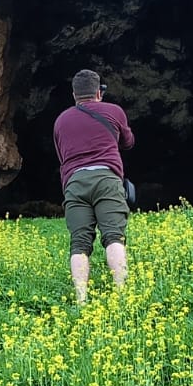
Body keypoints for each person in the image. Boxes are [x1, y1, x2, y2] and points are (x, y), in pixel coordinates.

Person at [52, 69, 135, 305]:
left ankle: (81, 300)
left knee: (79, 242)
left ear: (74, 95)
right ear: (99, 92)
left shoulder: (61, 121)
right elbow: (128, 142)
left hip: (75, 183)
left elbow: (62, 155)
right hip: (106, 179)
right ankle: (121, 295)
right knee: (114, 237)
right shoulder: (114, 111)